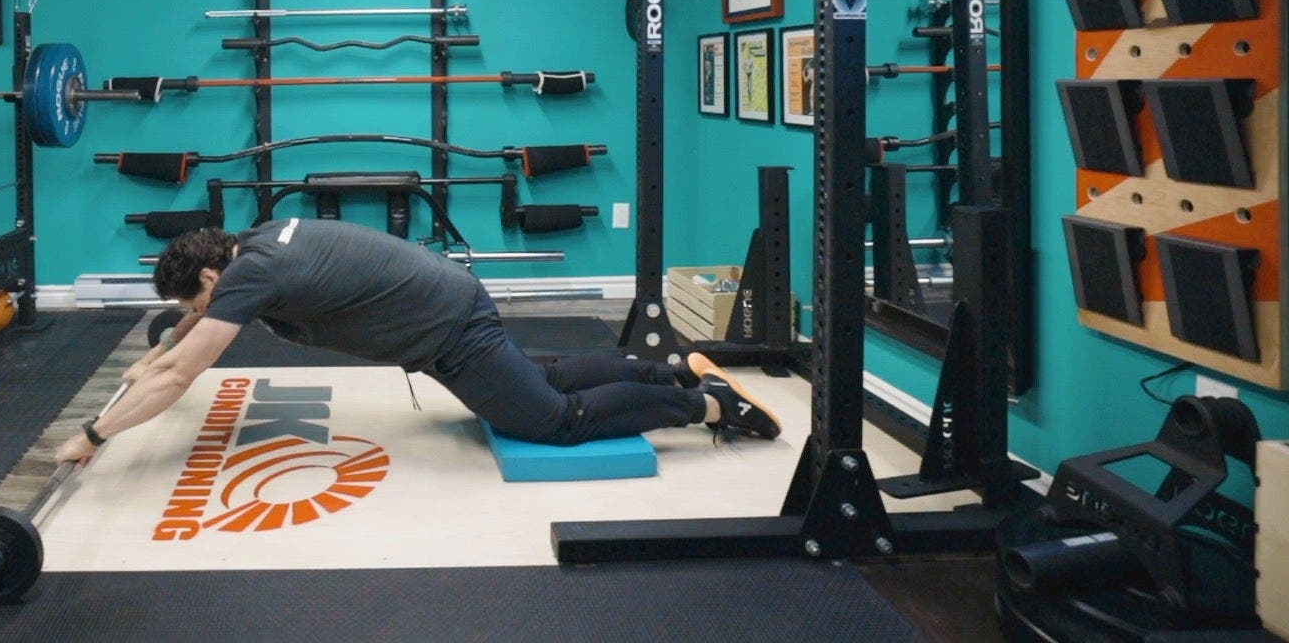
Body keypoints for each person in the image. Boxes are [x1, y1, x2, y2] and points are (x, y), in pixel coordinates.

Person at [54, 219, 779, 466]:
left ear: (214, 273)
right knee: (538, 378)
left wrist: (94, 431)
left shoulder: (245, 280)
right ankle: (668, 374)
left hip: (447, 328)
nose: (200, 310)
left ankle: (706, 407)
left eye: (198, 298)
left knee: (552, 421)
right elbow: (184, 341)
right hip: (445, 308)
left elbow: (183, 373)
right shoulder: (256, 244)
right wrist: (154, 353)